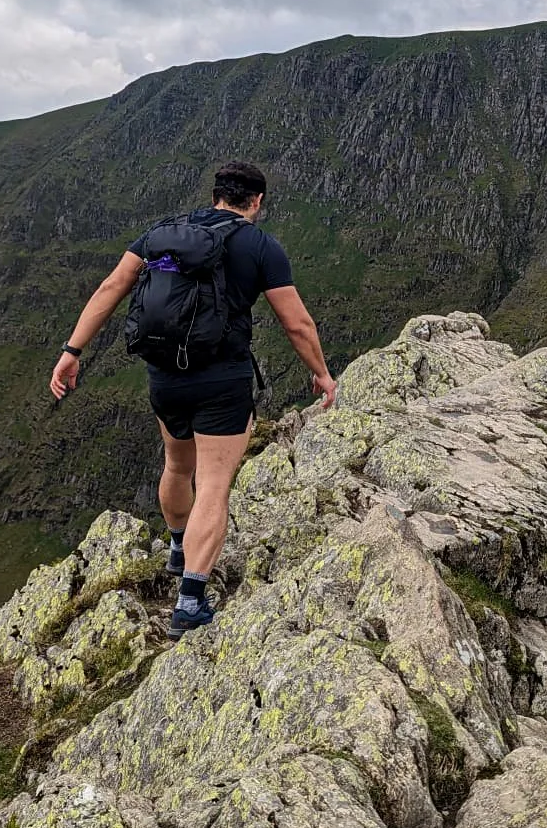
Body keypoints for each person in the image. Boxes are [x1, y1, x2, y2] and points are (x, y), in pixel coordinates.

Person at [49, 159, 336, 635]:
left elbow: (111, 287)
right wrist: (322, 375)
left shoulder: (163, 232)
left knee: (177, 466)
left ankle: (179, 548)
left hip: (165, 378)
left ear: (215, 195)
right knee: (215, 485)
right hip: (222, 382)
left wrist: (71, 351)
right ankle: (190, 602)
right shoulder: (260, 245)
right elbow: (297, 323)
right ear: (257, 202)